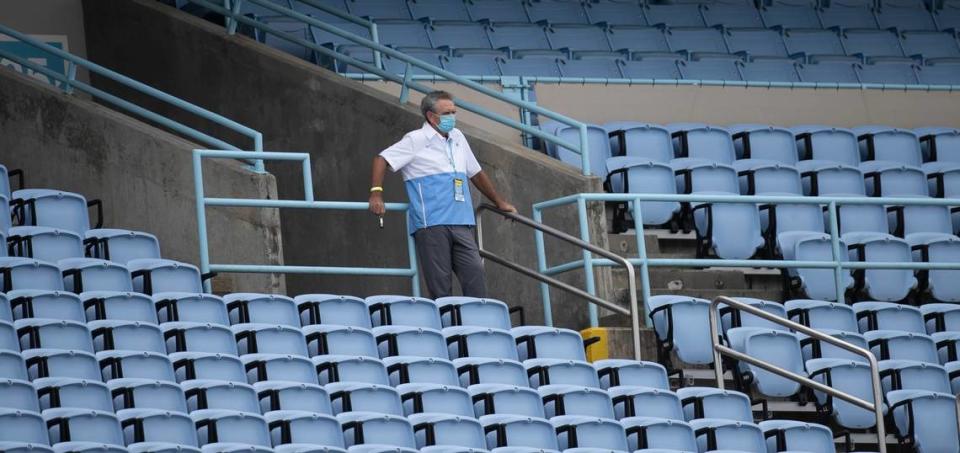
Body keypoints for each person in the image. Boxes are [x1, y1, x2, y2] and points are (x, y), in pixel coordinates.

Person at [368, 90, 516, 299]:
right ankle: (447, 330)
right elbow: (381, 159)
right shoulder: (416, 139)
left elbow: (476, 173)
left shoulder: (458, 137)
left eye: (454, 112)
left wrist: (500, 202)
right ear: (431, 116)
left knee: (475, 274)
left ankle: (478, 327)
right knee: (440, 285)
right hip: (432, 224)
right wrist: (376, 193)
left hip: (462, 221)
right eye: (447, 113)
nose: (452, 117)